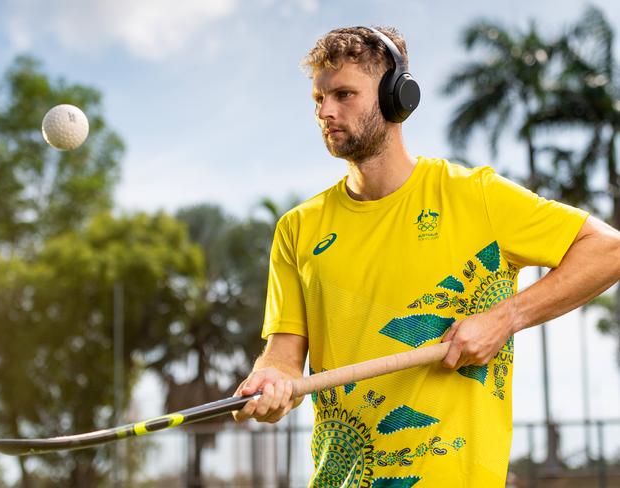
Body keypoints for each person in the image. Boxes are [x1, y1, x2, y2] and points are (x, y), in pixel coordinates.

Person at [233, 26, 620, 487]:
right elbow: (283, 355)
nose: (326, 111)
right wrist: (270, 381)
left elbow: (607, 248)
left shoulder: (474, 196)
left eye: (344, 94)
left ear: (398, 97)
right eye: (319, 98)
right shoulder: (297, 229)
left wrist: (505, 317)